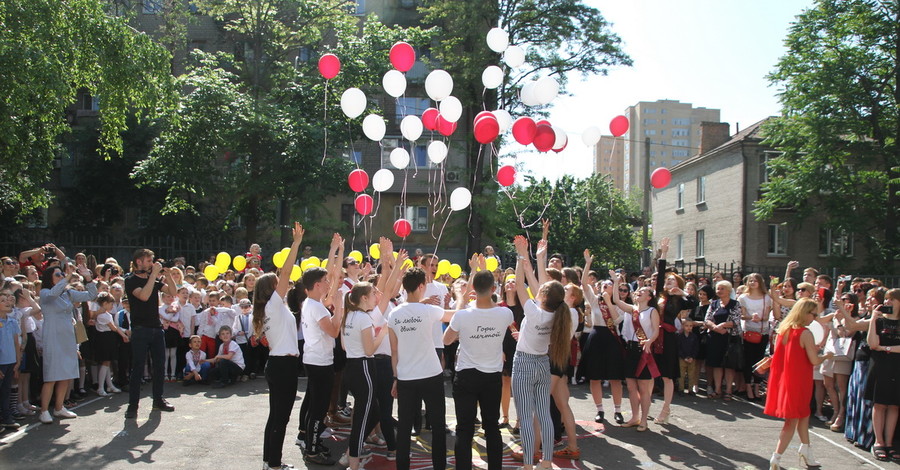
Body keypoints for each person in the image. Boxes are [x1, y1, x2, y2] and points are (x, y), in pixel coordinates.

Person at [509, 235, 572, 469]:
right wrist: (532, 259)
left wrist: (520, 256)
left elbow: (519, 286)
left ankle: (528, 463)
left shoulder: (535, 312)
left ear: (543, 297)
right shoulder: (558, 314)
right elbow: (538, 287)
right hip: (542, 364)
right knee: (544, 415)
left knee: (526, 418)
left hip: (524, 363)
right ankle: (546, 461)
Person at [443, 257, 513, 470]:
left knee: (464, 428)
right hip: (491, 377)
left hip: (467, 376)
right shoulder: (505, 314)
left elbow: (446, 340)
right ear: (494, 288)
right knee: (492, 427)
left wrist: (463, 299)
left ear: (472, 287)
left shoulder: (462, 315)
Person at [388, 267, 457, 470]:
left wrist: (396, 378)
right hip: (430, 375)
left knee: (404, 425)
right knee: (437, 425)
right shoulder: (428, 311)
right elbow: (454, 315)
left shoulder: (394, 313)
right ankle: (439, 467)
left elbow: (394, 351)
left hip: (406, 377)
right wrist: (460, 296)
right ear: (420, 286)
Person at [764, 298, 833, 469]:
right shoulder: (805, 333)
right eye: (813, 314)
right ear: (805, 313)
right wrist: (827, 356)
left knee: (803, 415)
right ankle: (776, 457)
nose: (815, 317)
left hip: (786, 379)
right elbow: (815, 360)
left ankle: (806, 450)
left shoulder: (783, 330)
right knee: (793, 420)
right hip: (799, 380)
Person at [257, 222, 304, 470]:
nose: (282, 283)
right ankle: (274, 463)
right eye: (278, 282)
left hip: (278, 363)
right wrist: (295, 244)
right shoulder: (273, 305)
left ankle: (269, 461)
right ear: (272, 288)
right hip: (282, 365)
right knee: (281, 418)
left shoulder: (273, 306)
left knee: (275, 417)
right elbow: (286, 272)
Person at [299, 233, 344, 465]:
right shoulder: (316, 307)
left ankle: (311, 443)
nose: (329, 284)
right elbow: (334, 332)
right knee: (318, 410)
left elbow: (329, 273)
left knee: (314, 406)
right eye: (325, 282)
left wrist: (334, 250)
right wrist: (339, 310)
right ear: (317, 285)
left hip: (315, 359)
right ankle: (313, 450)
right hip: (320, 363)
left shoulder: (310, 302)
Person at [38, 263, 98, 424]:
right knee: (51, 376)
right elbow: (52, 294)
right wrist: (66, 279)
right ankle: (44, 410)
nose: (61, 277)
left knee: (65, 375)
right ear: (49, 278)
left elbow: (91, 295)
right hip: (53, 338)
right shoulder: (44, 293)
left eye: (61, 274)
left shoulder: (68, 293)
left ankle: (59, 407)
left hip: (68, 338)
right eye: (57, 275)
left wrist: (88, 278)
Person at [123, 249, 178, 419]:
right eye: (148, 260)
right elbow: (144, 296)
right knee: (138, 367)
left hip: (156, 328)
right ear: (139, 262)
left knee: (159, 365)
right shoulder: (130, 280)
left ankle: (158, 399)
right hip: (140, 329)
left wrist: (167, 275)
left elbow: (173, 292)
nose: (151, 263)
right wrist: (153, 275)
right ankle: (133, 406)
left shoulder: (152, 279)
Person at [580, 251, 625, 425]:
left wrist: (609, 300)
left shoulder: (618, 304)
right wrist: (588, 264)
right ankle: (599, 409)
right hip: (596, 337)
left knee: (615, 377)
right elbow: (583, 284)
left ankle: (618, 410)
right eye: (604, 285)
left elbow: (617, 320)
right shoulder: (594, 300)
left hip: (611, 339)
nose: (606, 288)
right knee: (595, 376)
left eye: (610, 285)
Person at [864, 288, 900, 461]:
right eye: (886, 299)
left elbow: (881, 346)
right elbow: (872, 344)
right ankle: (878, 442)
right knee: (879, 404)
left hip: (897, 366)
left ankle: (889, 442)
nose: (887, 302)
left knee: (894, 405)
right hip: (880, 365)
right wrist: (873, 319)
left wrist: (886, 348)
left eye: (892, 299)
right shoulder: (879, 322)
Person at [704, 281, 742, 400]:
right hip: (715, 337)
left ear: (729, 291)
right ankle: (718, 389)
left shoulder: (735, 304)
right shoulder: (714, 304)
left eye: (722, 289)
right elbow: (707, 319)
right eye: (718, 288)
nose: (719, 291)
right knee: (717, 364)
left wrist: (724, 325)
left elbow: (736, 320)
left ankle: (729, 390)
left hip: (730, 338)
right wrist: (716, 328)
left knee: (729, 365)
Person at [738, 273, 772, 401]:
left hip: (762, 331)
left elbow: (768, 316)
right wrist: (751, 318)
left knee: (759, 361)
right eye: (750, 281)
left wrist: (760, 318)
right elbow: (742, 315)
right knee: (748, 360)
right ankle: (748, 387)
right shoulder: (743, 297)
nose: (752, 283)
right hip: (749, 331)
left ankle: (757, 386)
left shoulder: (766, 297)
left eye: (755, 281)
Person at [93, 293, 128, 396]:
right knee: (105, 362)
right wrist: (124, 335)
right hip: (104, 339)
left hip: (109, 339)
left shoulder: (107, 314)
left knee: (108, 363)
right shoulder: (103, 316)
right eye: (110, 304)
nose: (112, 306)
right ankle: (100, 387)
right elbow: (114, 327)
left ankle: (109, 385)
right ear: (104, 303)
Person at [0, 285, 22, 429]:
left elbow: (16, 343)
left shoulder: (12, 321)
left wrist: (17, 362)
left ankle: (6, 417)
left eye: (8, 299)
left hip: (10, 362)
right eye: (2, 300)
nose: (7, 302)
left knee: (6, 391)